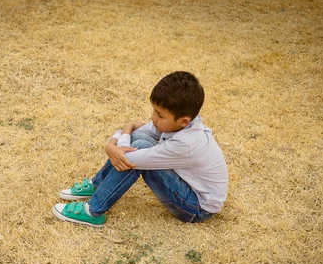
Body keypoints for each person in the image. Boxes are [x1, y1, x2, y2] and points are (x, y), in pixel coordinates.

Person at [52, 71, 228, 228]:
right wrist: (115, 142)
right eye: (154, 111)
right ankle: (97, 185)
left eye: (160, 115)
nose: (153, 118)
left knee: (136, 150)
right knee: (139, 139)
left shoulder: (186, 143)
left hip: (197, 207)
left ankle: (93, 211)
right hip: (189, 188)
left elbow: (130, 159)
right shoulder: (178, 124)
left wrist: (114, 146)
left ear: (184, 121)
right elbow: (132, 129)